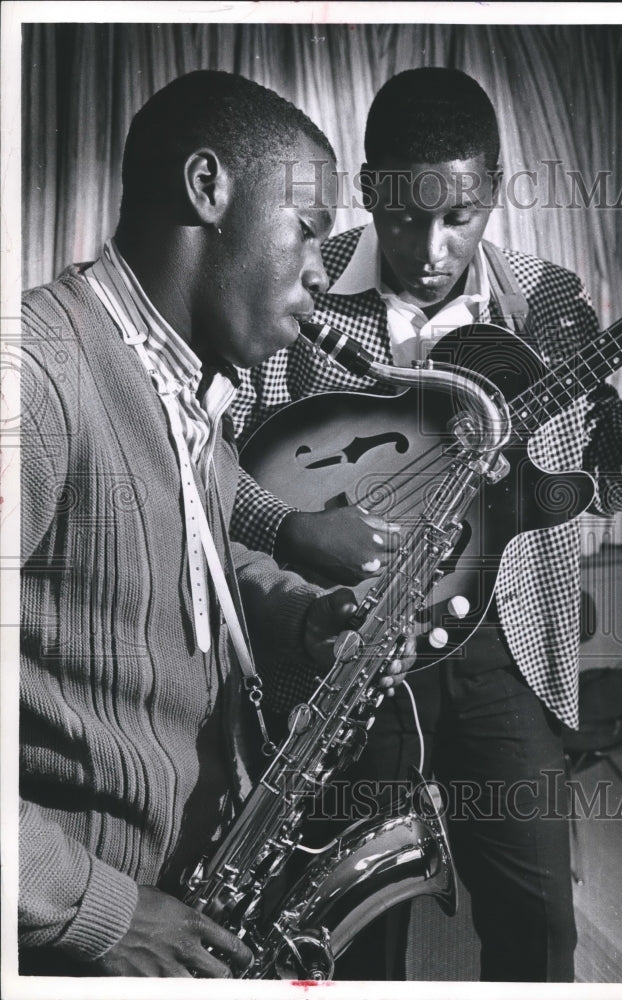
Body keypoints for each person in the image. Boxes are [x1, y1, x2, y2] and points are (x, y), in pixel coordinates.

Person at [229, 67, 622, 982]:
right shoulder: (302, 284)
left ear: (494, 188)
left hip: (503, 650)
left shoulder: (551, 302)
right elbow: (223, 462)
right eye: (402, 217)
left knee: (541, 930)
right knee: (342, 937)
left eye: (459, 216)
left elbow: (604, 475)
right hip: (343, 647)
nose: (430, 249)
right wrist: (298, 537)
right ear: (369, 190)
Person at [18, 70, 408, 979]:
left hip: (184, 892)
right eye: (307, 229)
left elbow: (191, 557)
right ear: (207, 188)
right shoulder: (33, 380)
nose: (321, 272)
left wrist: (303, 621)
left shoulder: (186, 384)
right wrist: (98, 909)